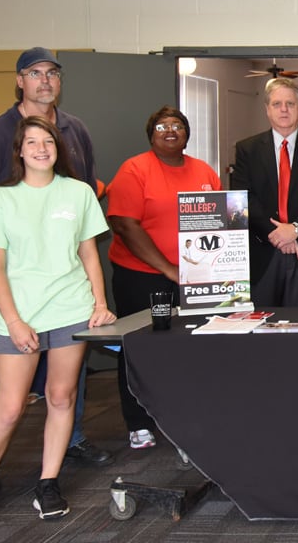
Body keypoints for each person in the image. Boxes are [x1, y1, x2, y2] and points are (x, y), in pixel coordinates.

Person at [0, 48, 110, 489]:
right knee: (6, 401)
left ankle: (55, 468)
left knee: (63, 393)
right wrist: (11, 314)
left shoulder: (76, 135)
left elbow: (87, 237)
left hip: (69, 303)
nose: (45, 80)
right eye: (35, 73)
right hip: (17, 299)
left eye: (52, 73)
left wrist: (98, 301)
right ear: (21, 80)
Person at [106, 105, 221, 450]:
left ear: (187, 134)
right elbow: (125, 224)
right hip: (142, 276)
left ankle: (183, 417)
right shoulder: (134, 169)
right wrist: (170, 270)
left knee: (189, 349)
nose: (170, 131)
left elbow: (220, 220)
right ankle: (139, 421)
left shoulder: (203, 170)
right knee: (140, 347)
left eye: (177, 126)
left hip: (194, 277)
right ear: (151, 133)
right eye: (161, 126)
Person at [230, 77, 298, 307]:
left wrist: (296, 229)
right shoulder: (246, 149)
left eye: (290, 103)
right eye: (277, 104)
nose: (284, 109)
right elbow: (242, 197)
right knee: (259, 331)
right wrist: (278, 234)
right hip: (262, 251)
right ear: (267, 109)